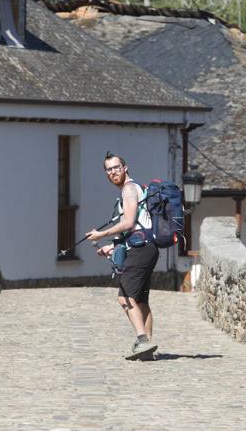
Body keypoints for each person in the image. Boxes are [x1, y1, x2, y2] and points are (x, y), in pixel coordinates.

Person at [86, 152, 159, 360]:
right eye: (108, 170)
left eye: (116, 167)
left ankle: (142, 340)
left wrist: (101, 234)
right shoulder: (134, 189)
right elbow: (135, 226)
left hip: (141, 249)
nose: (113, 172)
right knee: (141, 301)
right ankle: (148, 349)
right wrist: (111, 246)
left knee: (124, 297)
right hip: (147, 247)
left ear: (125, 168)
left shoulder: (128, 189)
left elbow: (127, 223)